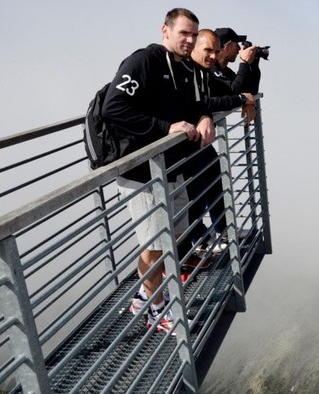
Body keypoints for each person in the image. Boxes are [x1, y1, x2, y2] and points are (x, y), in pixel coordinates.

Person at [101, 8, 214, 333]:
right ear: (165, 31)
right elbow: (114, 107)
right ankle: (158, 310)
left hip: (173, 168)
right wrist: (164, 128)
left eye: (194, 34)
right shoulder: (145, 61)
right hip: (143, 173)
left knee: (171, 240)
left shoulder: (184, 69)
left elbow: (197, 104)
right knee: (153, 246)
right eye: (184, 33)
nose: (190, 39)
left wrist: (204, 116)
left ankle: (142, 298)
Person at [185, 29, 255, 253]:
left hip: (196, 140)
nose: (212, 57)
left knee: (214, 178)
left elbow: (244, 90)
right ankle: (198, 239)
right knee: (193, 190)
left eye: (214, 52)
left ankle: (221, 230)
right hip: (182, 143)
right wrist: (240, 97)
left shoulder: (205, 71)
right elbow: (217, 98)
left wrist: (251, 66)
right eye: (208, 51)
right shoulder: (192, 71)